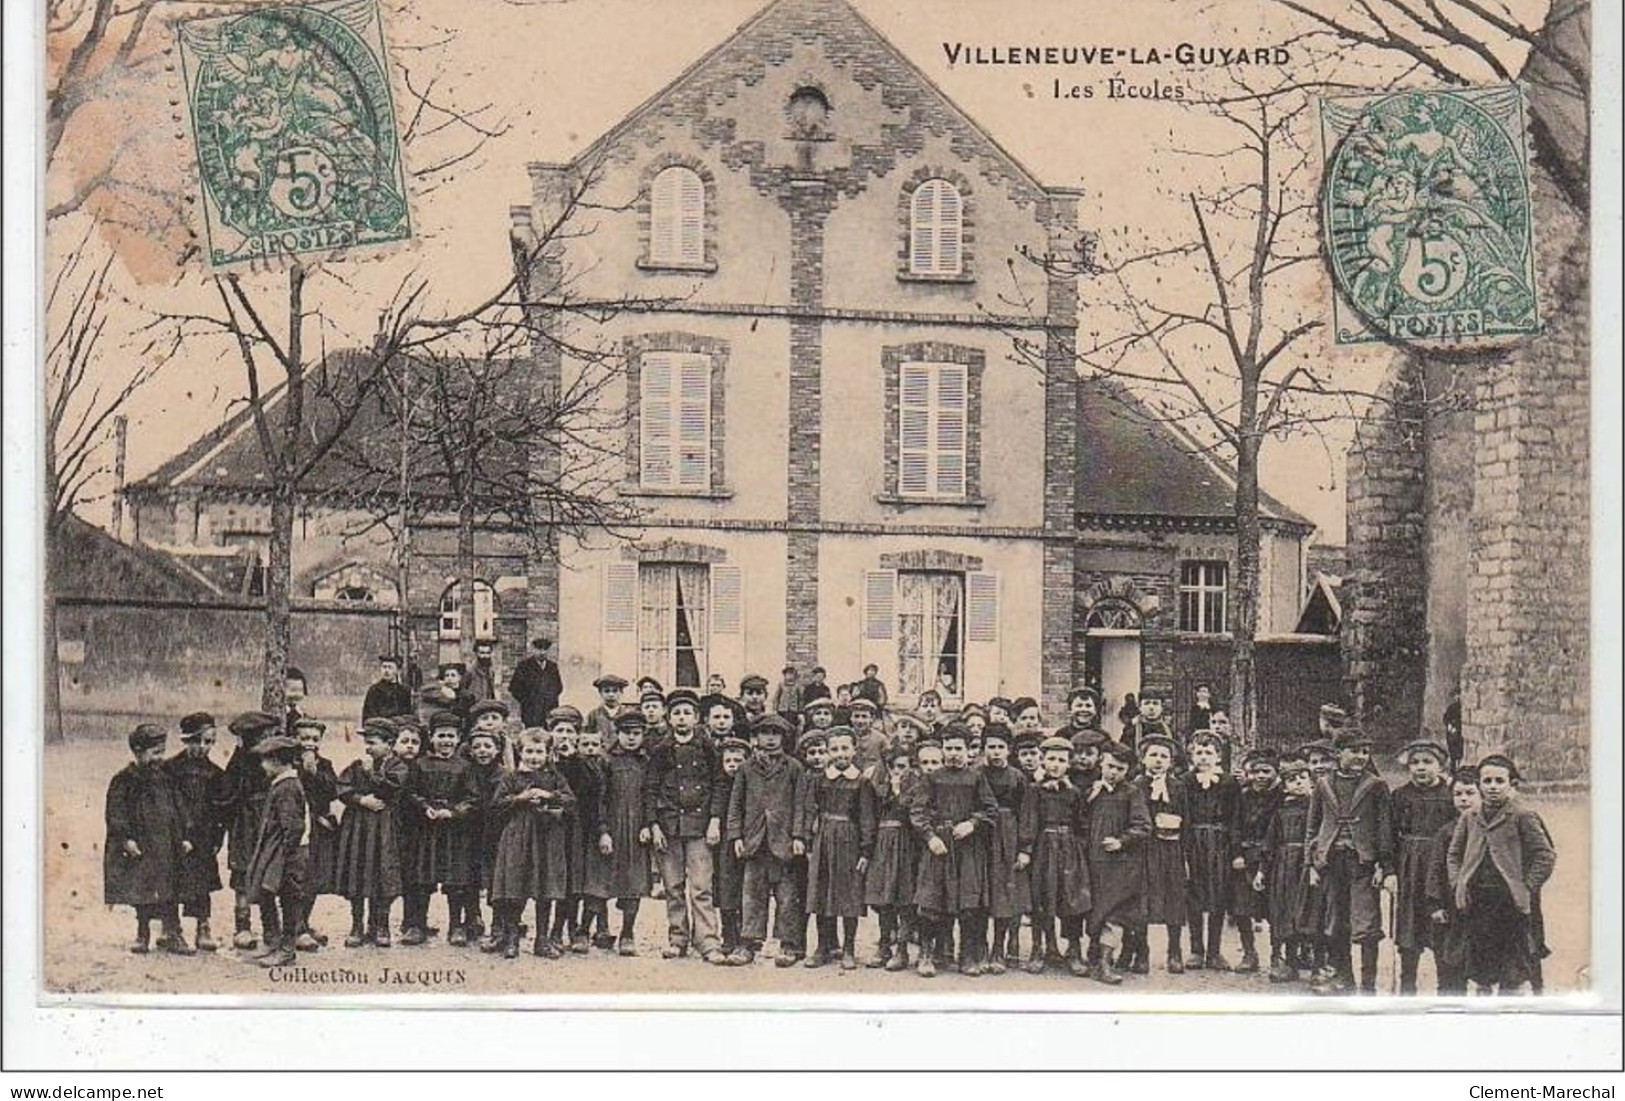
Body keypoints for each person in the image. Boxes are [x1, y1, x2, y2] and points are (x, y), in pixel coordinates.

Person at [1447, 755, 1556, 995]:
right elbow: (1454, 854)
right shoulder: (1470, 816)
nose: (1493, 786)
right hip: (1477, 902)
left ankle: (1511, 1009)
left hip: (1510, 903)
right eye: (1487, 781)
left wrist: (1527, 886)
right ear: (1479, 784)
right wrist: (1459, 883)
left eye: (1499, 780)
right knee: (1481, 970)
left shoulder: (1522, 815)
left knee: (1513, 970)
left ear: (1511, 783)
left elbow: (1545, 855)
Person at [1307, 725, 1393, 995]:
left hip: (1363, 863)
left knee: (1366, 924)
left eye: (1365, 751)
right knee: (1336, 922)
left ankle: (1368, 986)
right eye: (1354, 751)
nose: (1360, 756)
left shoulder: (1376, 786)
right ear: (1338, 753)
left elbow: (1384, 828)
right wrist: (1311, 863)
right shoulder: (1323, 784)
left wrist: (1384, 864)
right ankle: (1344, 978)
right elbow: (1313, 827)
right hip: (1331, 861)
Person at [643, 688, 727, 963]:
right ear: (668, 718)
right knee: (673, 886)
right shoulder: (660, 751)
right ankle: (677, 938)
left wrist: (715, 820)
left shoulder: (707, 749)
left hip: (700, 827)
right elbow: (651, 789)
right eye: (676, 713)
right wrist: (653, 824)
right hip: (668, 827)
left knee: (701, 887)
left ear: (697, 718)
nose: (681, 718)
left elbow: (718, 785)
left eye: (687, 713)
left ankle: (708, 941)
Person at [909, 723, 998, 978]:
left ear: (969, 751)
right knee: (931, 901)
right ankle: (926, 954)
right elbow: (918, 811)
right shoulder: (932, 778)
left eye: (959, 748)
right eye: (949, 748)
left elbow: (991, 809)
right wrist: (929, 836)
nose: (954, 753)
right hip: (939, 847)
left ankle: (967, 956)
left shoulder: (976, 777)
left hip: (968, 848)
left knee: (968, 904)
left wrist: (972, 823)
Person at [105, 723, 193, 956]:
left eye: (162, 752)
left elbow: (179, 806)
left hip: (167, 844)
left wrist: (185, 835)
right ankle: (142, 933)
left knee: (172, 889)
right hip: (142, 846)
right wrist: (126, 839)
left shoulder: (167, 777)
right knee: (142, 891)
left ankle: (173, 933)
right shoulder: (124, 780)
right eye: (154, 753)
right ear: (138, 751)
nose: (159, 758)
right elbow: (116, 814)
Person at [726, 714, 806, 967]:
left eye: (776, 733)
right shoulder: (746, 768)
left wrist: (798, 835)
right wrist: (736, 835)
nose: (770, 738)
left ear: (783, 737)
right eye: (765, 733)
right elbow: (735, 804)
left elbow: (801, 805)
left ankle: (789, 945)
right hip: (755, 840)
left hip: (783, 841)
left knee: (787, 895)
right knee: (752, 894)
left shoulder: (794, 767)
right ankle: (748, 943)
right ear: (756, 737)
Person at [488, 729, 576, 959]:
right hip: (518, 837)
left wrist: (548, 796)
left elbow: (570, 802)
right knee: (515, 890)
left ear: (548, 754)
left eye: (539, 752)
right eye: (529, 751)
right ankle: (511, 939)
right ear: (520, 752)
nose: (534, 757)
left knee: (544, 889)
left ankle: (542, 941)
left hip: (547, 837)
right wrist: (520, 798)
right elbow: (496, 805)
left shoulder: (555, 778)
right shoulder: (511, 778)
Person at [798, 727, 876, 970]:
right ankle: (823, 946)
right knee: (822, 893)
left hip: (849, 841)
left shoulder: (861, 781)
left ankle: (849, 949)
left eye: (845, 748)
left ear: (854, 750)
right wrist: (809, 842)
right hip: (824, 839)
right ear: (828, 752)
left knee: (848, 895)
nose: (840, 753)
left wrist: (865, 851)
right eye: (834, 749)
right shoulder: (820, 779)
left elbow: (866, 818)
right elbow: (810, 810)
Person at [401, 712, 480, 947]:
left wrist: (455, 812)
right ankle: (417, 925)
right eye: (441, 736)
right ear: (432, 738)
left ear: (458, 739)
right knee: (421, 879)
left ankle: (456, 926)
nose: (446, 741)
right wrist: (424, 806)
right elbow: (410, 793)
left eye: (451, 736)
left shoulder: (465, 767)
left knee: (455, 881)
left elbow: (473, 798)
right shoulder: (420, 764)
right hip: (426, 831)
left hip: (454, 832)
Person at [1019, 735, 1094, 978]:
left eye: (1061, 760)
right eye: (1050, 759)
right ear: (1042, 761)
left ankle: (1073, 950)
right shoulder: (1035, 791)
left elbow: (1082, 824)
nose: (1055, 765)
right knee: (1044, 898)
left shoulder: (1074, 793)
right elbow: (1029, 821)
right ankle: (1040, 948)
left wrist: (1079, 847)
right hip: (1044, 849)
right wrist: (1027, 849)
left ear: (1069, 763)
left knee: (1072, 899)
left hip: (1069, 849)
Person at [1390, 739, 1458, 994]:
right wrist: (1388, 869)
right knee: (1409, 928)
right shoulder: (1400, 796)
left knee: (1440, 925)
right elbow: (1388, 835)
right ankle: (1407, 985)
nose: (1420, 768)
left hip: (1440, 868)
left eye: (1427, 762)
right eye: (1415, 763)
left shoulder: (1450, 795)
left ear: (1440, 766)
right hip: (1410, 869)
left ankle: (1447, 986)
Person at [335, 718, 408, 948]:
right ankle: (357, 925)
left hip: (385, 829)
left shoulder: (399, 766)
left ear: (389, 744)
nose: (368, 747)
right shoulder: (358, 765)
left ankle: (381, 925)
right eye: (366, 742)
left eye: (373, 742)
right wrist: (361, 800)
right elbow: (342, 789)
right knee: (357, 873)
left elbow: (389, 789)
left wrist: (372, 775)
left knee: (382, 876)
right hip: (359, 829)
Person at [1085, 740, 1151, 978]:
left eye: (1120, 769)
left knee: (1113, 912)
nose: (1113, 773)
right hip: (1094, 861)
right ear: (1101, 762)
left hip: (1121, 864)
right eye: (1110, 766)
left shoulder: (1132, 792)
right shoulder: (1093, 791)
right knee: (1096, 910)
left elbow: (1143, 826)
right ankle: (1095, 957)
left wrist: (1121, 841)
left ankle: (1105, 963)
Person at [243, 735, 309, 968]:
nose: (262, 766)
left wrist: (284, 854)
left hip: (286, 855)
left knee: (289, 898)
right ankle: (272, 941)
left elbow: (294, 827)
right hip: (275, 851)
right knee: (266, 892)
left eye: (265, 761)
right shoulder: (280, 784)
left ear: (279, 761)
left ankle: (287, 949)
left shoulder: (288, 787)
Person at [218, 710, 280, 950]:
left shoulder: (272, 760)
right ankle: (242, 927)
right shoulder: (238, 762)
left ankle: (271, 927)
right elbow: (227, 796)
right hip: (245, 825)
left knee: (269, 872)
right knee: (242, 874)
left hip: (267, 821)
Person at [166, 712, 225, 953]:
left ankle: (203, 927)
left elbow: (220, 809)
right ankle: (171, 927)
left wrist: (218, 838)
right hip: (175, 835)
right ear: (186, 740)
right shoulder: (170, 769)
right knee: (172, 879)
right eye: (197, 741)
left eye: (209, 742)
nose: (203, 747)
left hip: (203, 836)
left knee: (202, 881)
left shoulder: (215, 773)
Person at [1132, 733, 1190, 974]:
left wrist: (1185, 853)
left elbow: (1187, 818)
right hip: (1145, 849)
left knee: (1174, 897)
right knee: (1143, 898)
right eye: (1153, 755)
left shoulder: (1178, 787)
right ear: (1144, 759)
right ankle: (1141, 951)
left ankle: (1174, 951)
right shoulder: (1136, 785)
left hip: (1171, 849)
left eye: (1163, 756)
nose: (1158, 760)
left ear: (1171, 761)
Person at [977, 724, 1030, 974]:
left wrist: (1024, 848)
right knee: (982, 891)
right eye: (991, 747)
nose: (996, 752)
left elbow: (1026, 815)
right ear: (983, 749)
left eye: (1001, 747)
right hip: (982, 836)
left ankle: (1002, 945)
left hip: (1009, 836)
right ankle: (980, 946)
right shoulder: (977, 773)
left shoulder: (1017, 777)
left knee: (1005, 893)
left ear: (1009, 750)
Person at [1257, 753, 1315, 982]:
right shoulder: (1280, 813)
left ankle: (1309, 956)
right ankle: (1282, 959)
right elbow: (1269, 843)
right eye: (1292, 779)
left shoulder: (1316, 808)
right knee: (1283, 911)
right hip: (1283, 868)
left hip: (1307, 866)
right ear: (1285, 786)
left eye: (1302, 777)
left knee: (1307, 911)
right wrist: (1262, 870)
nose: (1298, 782)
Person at [1184, 730, 1238, 972]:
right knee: (1194, 895)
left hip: (1219, 843)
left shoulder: (1228, 782)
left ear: (1218, 756)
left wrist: (1234, 849)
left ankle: (1214, 952)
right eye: (1199, 752)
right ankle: (1196, 950)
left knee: (1218, 895)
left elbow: (1236, 817)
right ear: (1191, 756)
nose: (1203, 757)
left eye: (1209, 752)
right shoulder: (1185, 781)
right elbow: (1182, 814)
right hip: (1194, 841)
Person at [601, 711, 653, 955]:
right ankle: (596, 929)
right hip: (611, 828)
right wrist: (603, 830)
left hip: (636, 831)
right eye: (626, 733)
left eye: (636, 733)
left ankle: (627, 933)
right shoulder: (607, 760)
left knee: (633, 882)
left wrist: (647, 824)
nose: (631, 738)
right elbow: (599, 799)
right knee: (601, 879)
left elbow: (650, 796)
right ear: (617, 733)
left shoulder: (647, 761)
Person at [864, 742, 918, 971]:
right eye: (892, 766)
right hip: (882, 843)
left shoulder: (916, 786)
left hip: (906, 843)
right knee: (883, 897)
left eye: (902, 766)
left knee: (904, 898)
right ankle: (884, 944)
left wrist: (899, 793)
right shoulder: (875, 786)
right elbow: (868, 817)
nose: (897, 771)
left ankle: (902, 950)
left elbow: (914, 815)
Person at [1427, 767, 1480, 995]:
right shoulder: (1446, 833)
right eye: (1458, 794)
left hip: (1482, 906)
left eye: (1470, 793)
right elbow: (1436, 869)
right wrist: (1436, 904)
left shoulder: (1489, 829)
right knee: (1450, 966)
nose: (1464, 799)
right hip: (1451, 907)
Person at [1230, 747, 1282, 974]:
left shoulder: (1281, 797)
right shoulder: (1241, 797)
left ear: (1275, 773)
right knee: (1242, 907)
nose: (1260, 776)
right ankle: (1250, 953)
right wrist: (1237, 854)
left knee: (1275, 908)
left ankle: (1277, 955)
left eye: (1266, 771)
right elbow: (1234, 827)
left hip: (1273, 859)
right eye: (1255, 772)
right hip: (1246, 858)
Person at [550, 707, 597, 953]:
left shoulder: (584, 763)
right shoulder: (543, 759)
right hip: (549, 826)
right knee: (552, 879)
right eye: (560, 731)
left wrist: (573, 759)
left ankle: (570, 928)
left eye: (570, 731)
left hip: (576, 828)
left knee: (573, 880)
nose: (565, 736)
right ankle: (553, 929)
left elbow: (589, 791)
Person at [294, 718, 340, 951]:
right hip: (297, 828)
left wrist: (315, 772)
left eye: (314, 739)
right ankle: (295, 926)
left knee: (313, 877)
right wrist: (303, 769)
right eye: (304, 738)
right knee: (297, 876)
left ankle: (304, 921)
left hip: (318, 829)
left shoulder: (325, 764)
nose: (309, 743)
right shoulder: (290, 763)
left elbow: (333, 790)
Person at [573, 723, 615, 948]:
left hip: (599, 827)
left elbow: (604, 800)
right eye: (585, 744)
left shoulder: (605, 767)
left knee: (597, 878)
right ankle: (580, 928)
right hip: (578, 828)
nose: (590, 748)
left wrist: (604, 829)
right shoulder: (576, 766)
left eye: (594, 745)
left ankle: (594, 928)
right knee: (583, 880)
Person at [465, 724, 507, 948]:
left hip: (496, 832)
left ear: (497, 748)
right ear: (470, 750)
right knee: (470, 875)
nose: (483, 751)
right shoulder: (467, 771)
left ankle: (499, 925)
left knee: (496, 878)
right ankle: (472, 917)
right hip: (470, 830)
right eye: (477, 746)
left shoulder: (504, 774)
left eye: (488, 746)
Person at [713, 735, 751, 961]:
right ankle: (728, 934)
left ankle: (745, 935)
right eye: (729, 761)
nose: (733, 766)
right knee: (725, 886)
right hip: (725, 842)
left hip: (747, 839)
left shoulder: (750, 782)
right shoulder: (720, 785)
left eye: (738, 761)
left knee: (745, 886)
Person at [509, 638, 565, 729]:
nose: (542, 652)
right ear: (533, 650)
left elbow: (559, 687)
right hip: (531, 712)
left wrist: (550, 699)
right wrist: (527, 701)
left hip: (549, 711)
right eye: (539, 649)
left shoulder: (552, 667)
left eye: (545, 649)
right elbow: (514, 688)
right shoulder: (524, 666)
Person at [362, 655, 415, 724]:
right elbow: (368, 716)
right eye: (384, 667)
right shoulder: (374, 690)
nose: (386, 671)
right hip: (379, 729)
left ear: (397, 670)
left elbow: (409, 715)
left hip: (400, 728)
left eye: (390, 667)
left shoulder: (404, 691)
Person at [586, 674, 631, 743]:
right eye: (607, 691)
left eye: (615, 691)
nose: (611, 695)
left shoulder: (627, 714)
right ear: (600, 693)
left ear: (621, 692)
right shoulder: (593, 715)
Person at [848, 697, 888, 770]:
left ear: (871, 719)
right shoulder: (846, 736)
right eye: (856, 716)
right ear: (851, 718)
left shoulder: (880, 739)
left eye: (864, 717)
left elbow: (888, 763)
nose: (860, 721)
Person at [467, 640, 500, 705]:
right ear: (476, 653)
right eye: (482, 653)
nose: (485, 656)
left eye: (488, 653)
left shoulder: (492, 670)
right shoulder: (469, 670)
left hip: (488, 706)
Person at [1443, 687, 1464, 770]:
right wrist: (1449, 726)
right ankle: (1453, 768)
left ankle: (1459, 766)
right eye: (1455, 696)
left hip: (1459, 732)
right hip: (1451, 732)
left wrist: (1457, 727)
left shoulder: (1462, 708)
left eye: (1458, 695)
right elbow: (1446, 718)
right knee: (1452, 751)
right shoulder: (1451, 707)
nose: (1457, 697)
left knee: (1460, 750)